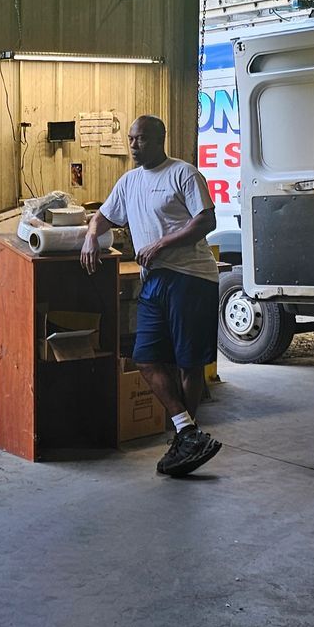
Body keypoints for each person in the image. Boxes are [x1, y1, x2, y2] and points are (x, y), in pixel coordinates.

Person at [81, 115, 222, 477]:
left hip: (190, 277)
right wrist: (89, 236)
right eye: (130, 138)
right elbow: (102, 216)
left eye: (141, 139)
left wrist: (161, 244)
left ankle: (184, 439)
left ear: (160, 140)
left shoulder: (183, 174)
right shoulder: (129, 182)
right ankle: (187, 432)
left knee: (188, 362)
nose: (133, 145)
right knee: (146, 357)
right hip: (155, 279)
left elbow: (206, 220)